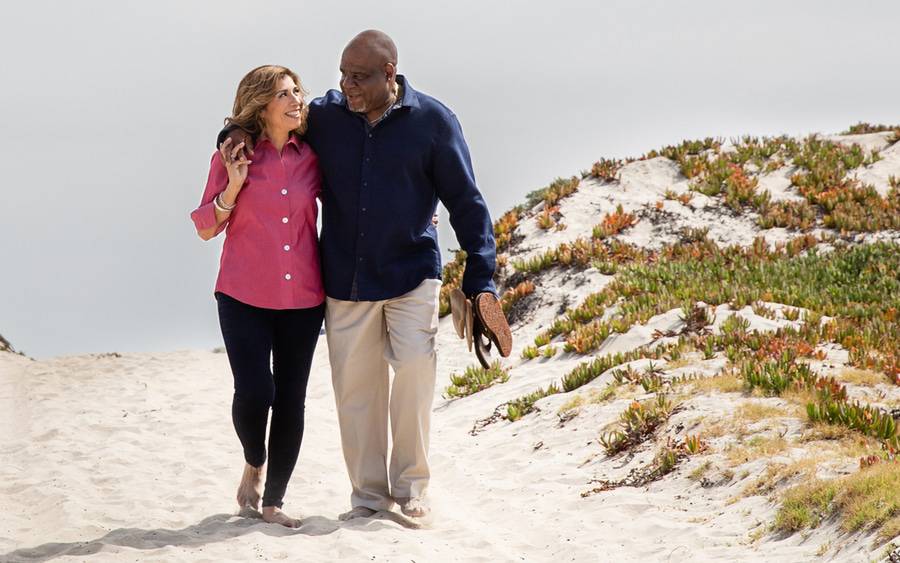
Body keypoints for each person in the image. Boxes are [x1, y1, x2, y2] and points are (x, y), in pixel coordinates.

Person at [220, 30, 509, 521]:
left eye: (358, 77)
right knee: (357, 393)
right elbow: (266, 121)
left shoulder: (434, 122)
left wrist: (480, 277)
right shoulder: (327, 117)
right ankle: (370, 497)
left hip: (411, 271)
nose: (345, 85)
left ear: (389, 75)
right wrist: (229, 136)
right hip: (345, 278)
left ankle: (412, 486)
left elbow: (466, 201)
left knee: (416, 369)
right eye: (342, 74)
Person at [192, 65, 325, 528]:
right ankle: (253, 458)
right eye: (284, 95)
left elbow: (354, 198)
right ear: (261, 106)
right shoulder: (234, 154)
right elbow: (207, 228)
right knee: (255, 391)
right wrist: (232, 184)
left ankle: (274, 501)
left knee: (291, 397)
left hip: (304, 297)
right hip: (243, 294)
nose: (296, 100)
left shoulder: (313, 155)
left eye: (297, 92)